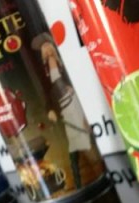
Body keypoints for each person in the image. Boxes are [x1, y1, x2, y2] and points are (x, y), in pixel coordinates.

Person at [31, 33, 98, 190]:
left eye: (48, 47)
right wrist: (50, 109)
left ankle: (96, 169)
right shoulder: (44, 73)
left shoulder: (64, 63)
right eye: (44, 50)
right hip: (63, 108)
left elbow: (79, 75)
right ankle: (78, 180)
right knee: (74, 142)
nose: (47, 52)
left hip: (75, 103)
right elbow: (47, 93)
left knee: (84, 137)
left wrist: (73, 87)